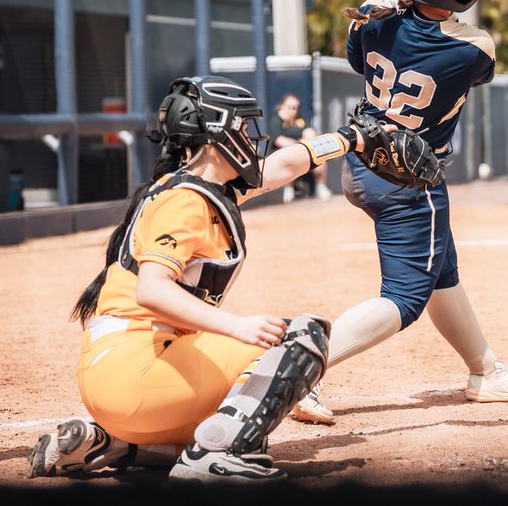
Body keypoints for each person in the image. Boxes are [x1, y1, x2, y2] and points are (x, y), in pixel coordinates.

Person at [26, 75, 383, 483]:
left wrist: (348, 138)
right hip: (135, 371)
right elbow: (151, 287)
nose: (252, 137)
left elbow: (284, 166)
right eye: (244, 127)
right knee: (301, 338)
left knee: (230, 415)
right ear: (217, 136)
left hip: (125, 378)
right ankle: (220, 457)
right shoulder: (186, 201)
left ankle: (111, 445)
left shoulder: (200, 187)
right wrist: (237, 325)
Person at [291, 0, 508, 426]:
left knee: (441, 271)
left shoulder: (373, 24)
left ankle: (486, 372)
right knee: (406, 297)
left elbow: (355, 57)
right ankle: (300, 371)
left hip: (361, 160)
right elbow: (475, 69)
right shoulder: (474, 46)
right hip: (409, 178)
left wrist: (376, 12)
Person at [269, 92, 332, 203]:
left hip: (302, 150)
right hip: (281, 154)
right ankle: (288, 190)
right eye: (290, 107)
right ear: (282, 106)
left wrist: (306, 141)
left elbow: (310, 133)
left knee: (320, 158)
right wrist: (300, 144)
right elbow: (280, 141)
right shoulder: (276, 120)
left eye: (295, 107)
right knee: (289, 157)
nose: (293, 110)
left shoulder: (300, 119)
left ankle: (320, 187)